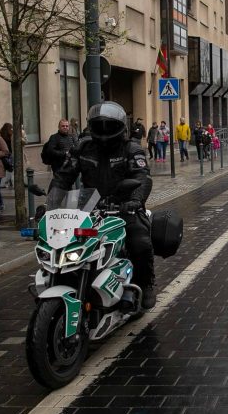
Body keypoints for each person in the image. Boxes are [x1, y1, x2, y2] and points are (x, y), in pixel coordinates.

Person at [47, 102, 156, 309]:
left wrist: (135, 200)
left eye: (110, 126)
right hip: (88, 208)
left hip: (123, 207)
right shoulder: (82, 147)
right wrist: (51, 204)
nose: (104, 131)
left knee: (139, 240)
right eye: (100, 126)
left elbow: (142, 178)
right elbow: (63, 177)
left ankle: (146, 282)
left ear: (121, 126)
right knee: (60, 240)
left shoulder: (131, 148)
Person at [0, 123, 15, 189]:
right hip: (9, 154)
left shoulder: (0, 136)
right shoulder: (11, 136)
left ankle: (8, 182)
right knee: (10, 168)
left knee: (5, 168)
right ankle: (5, 182)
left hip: (3, 154)